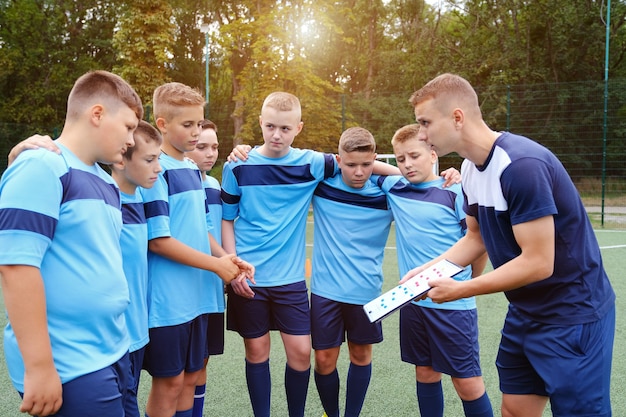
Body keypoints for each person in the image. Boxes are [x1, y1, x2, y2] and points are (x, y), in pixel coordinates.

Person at [403, 73, 616, 417]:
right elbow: (475, 238)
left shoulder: (521, 166)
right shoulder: (470, 169)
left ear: (457, 117)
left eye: (425, 122)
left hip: (572, 315)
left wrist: (461, 289)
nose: (422, 133)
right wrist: (427, 271)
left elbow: (537, 263)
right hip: (526, 312)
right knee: (515, 410)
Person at [0, 70, 143, 417]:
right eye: (128, 127)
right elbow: (16, 267)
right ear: (97, 114)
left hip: (112, 349)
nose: (132, 140)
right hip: (70, 362)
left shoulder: (107, 182)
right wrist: (40, 367)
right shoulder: (42, 165)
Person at [140, 82, 254, 417]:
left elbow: (203, 230)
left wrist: (226, 258)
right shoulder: (155, 169)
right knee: (170, 383)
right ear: (162, 124)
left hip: (198, 298)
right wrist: (215, 266)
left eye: (199, 123)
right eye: (187, 125)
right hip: (169, 301)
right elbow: (158, 240)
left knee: (191, 378)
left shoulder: (192, 170)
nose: (196, 132)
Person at [378, 124, 493, 417]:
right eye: (400, 159)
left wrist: (469, 280)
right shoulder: (395, 187)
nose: (407, 164)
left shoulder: (455, 191)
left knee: (467, 383)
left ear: (432, 154)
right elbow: (366, 164)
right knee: (425, 374)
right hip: (414, 303)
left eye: (414, 156)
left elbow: (477, 244)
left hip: (454, 305)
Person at [310, 127, 393, 417]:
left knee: (360, 355)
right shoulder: (321, 184)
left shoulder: (387, 190)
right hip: (324, 291)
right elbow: (284, 162)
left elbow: (421, 180)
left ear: (375, 160)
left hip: (367, 291)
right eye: (351, 165)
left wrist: (453, 176)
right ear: (337, 159)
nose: (359, 172)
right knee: (323, 359)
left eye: (367, 165)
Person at [109, 120, 163, 417]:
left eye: (158, 158)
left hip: (138, 333)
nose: (158, 167)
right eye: (149, 160)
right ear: (120, 159)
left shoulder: (141, 197)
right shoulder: (105, 201)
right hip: (115, 338)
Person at [185, 119, 225, 417]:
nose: (210, 153)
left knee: (203, 360)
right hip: (184, 289)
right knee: (178, 373)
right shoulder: (168, 179)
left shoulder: (214, 185)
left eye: (214, 147)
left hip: (213, 287)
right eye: (202, 147)